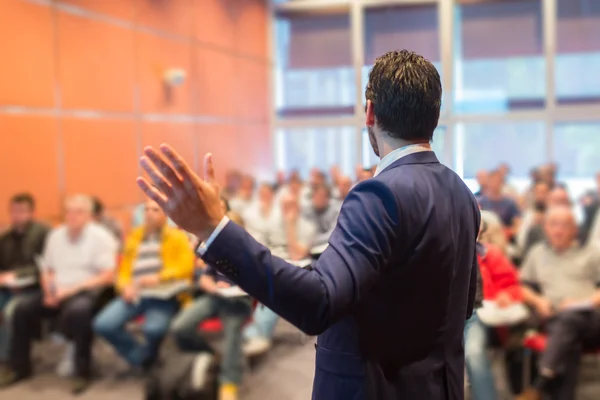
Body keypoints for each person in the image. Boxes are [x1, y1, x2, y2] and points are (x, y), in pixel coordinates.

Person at [137, 50, 480, 399]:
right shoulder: (461, 193)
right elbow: (464, 304)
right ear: (435, 115)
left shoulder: (379, 194)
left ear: (370, 112)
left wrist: (214, 229)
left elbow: (318, 303)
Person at [0, 195, 118, 394]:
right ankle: (19, 367)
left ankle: (83, 370)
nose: (72, 216)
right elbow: (46, 268)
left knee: (79, 312)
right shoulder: (56, 235)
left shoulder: (101, 237)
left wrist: (71, 290)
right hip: (57, 289)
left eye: (78, 212)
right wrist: (48, 291)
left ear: (89, 215)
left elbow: (108, 276)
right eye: (68, 211)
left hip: (86, 291)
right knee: (22, 309)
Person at [93, 199, 194, 372]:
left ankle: (148, 360)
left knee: (153, 329)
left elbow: (186, 266)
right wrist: (124, 287)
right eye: (146, 210)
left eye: (155, 210)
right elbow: (123, 270)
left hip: (164, 294)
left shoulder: (177, 237)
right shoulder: (134, 236)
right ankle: (142, 358)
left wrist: (159, 277)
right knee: (103, 324)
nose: (149, 214)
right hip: (136, 292)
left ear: (166, 215)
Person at [517, 206, 600, 400]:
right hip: (555, 321)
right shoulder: (537, 253)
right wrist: (538, 300)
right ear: (545, 227)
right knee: (568, 340)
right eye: (553, 224)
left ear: (574, 229)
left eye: (564, 225)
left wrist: (583, 302)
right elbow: (521, 287)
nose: (558, 230)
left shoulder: (592, 252)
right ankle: (546, 379)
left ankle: (540, 383)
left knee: (568, 319)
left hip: (592, 319)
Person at [170, 211, 252, 400]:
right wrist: (215, 287)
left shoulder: (249, 252)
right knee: (179, 327)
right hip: (216, 297)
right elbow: (205, 279)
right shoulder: (215, 249)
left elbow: (257, 282)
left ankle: (228, 383)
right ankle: (209, 354)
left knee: (232, 333)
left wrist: (236, 283)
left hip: (238, 300)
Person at [0, 194, 49, 371]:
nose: (16, 215)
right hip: (7, 287)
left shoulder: (43, 233)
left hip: (34, 287)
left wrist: (16, 275)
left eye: (21, 211)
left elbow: (45, 265)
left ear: (32, 212)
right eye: (13, 211)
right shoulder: (5, 237)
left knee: (10, 311)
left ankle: (10, 358)